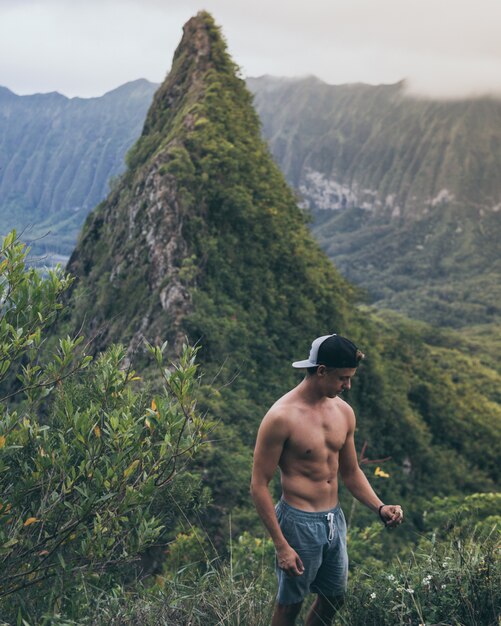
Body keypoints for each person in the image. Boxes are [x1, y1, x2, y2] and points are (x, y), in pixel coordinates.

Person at [250, 334, 404, 626]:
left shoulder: (344, 411)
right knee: (290, 604)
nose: (348, 386)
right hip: (298, 523)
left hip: (334, 520)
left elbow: (351, 472)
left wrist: (380, 508)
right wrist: (281, 544)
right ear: (321, 371)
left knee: (335, 596)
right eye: (343, 378)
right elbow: (259, 484)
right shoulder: (281, 417)